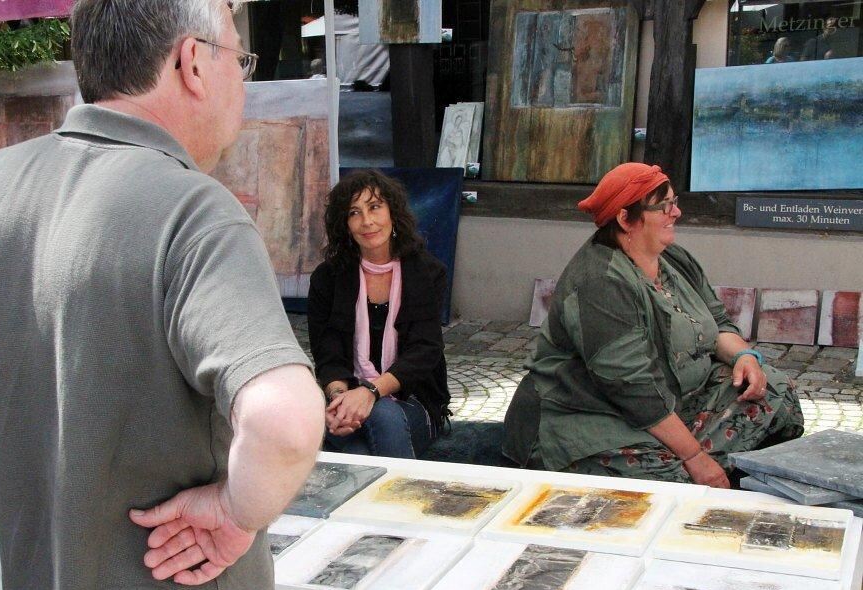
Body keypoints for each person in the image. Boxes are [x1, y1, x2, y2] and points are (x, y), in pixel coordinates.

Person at [0, 1, 326, 590]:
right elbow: (284, 421)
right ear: (192, 62)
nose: (242, 83)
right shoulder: (196, 215)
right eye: (240, 61)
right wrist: (232, 513)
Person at [519, 163, 803, 488]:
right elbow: (634, 388)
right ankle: (693, 463)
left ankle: (702, 460)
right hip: (592, 414)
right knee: (669, 483)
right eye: (664, 206)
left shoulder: (673, 258)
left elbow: (719, 323)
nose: (677, 212)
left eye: (674, 201)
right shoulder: (600, 283)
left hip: (671, 399)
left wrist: (745, 358)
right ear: (626, 219)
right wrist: (694, 457)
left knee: (775, 391)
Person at [308, 169, 450, 459]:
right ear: (345, 225)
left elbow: (425, 352)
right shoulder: (328, 278)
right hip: (347, 398)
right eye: (354, 213)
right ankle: (402, 500)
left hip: (414, 401)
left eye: (374, 207)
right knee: (359, 444)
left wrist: (370, 392)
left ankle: (396, 500)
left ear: (392, 213)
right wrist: (340, 399)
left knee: (382, 416)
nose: (367, 221)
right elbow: (328, 355)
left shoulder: (426, 272)